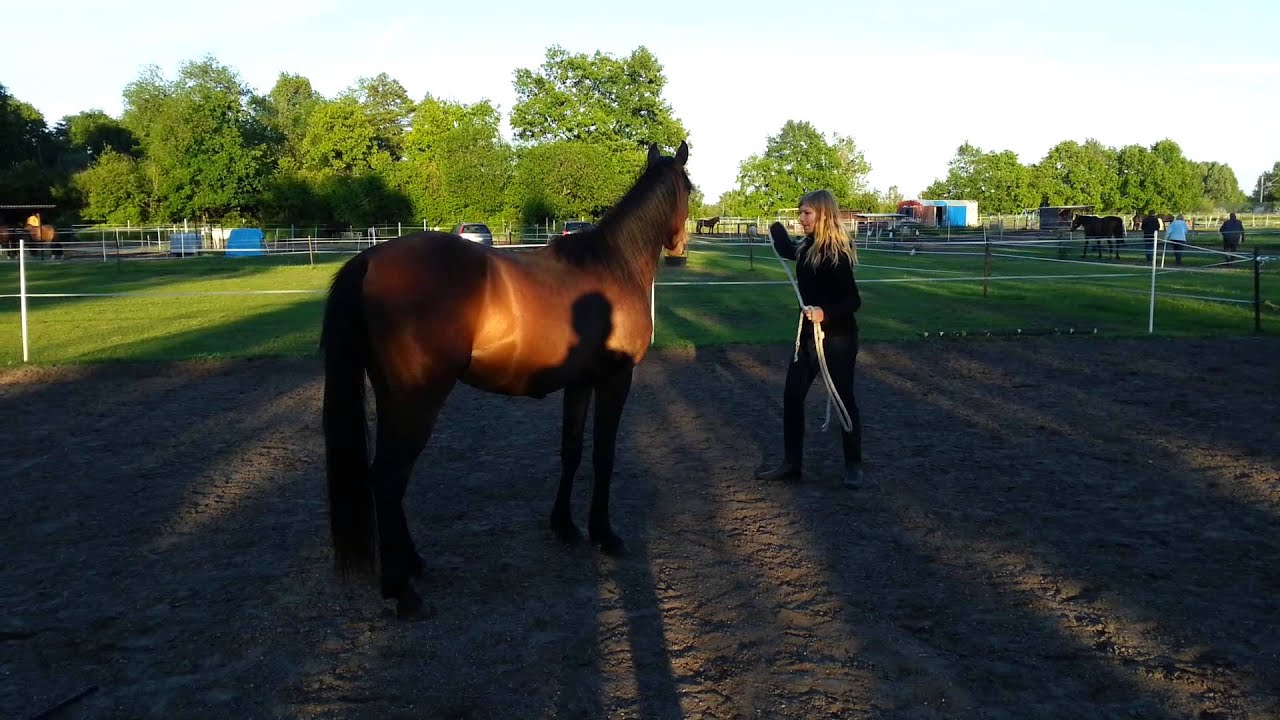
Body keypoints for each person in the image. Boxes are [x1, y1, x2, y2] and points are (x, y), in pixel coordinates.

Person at [756, 189, 864, 488]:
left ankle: (854, 465)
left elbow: (853, 300)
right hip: (807, 338)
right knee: (792, 396)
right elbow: (787, 249)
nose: (801, 219)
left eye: (806, 213)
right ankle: (792, 464)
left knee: (843, 399)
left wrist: (823, 313)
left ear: (823, 215)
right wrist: (774, 227)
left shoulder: (836, 253)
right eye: (800, 213)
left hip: (838, 338)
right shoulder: (807, 248)